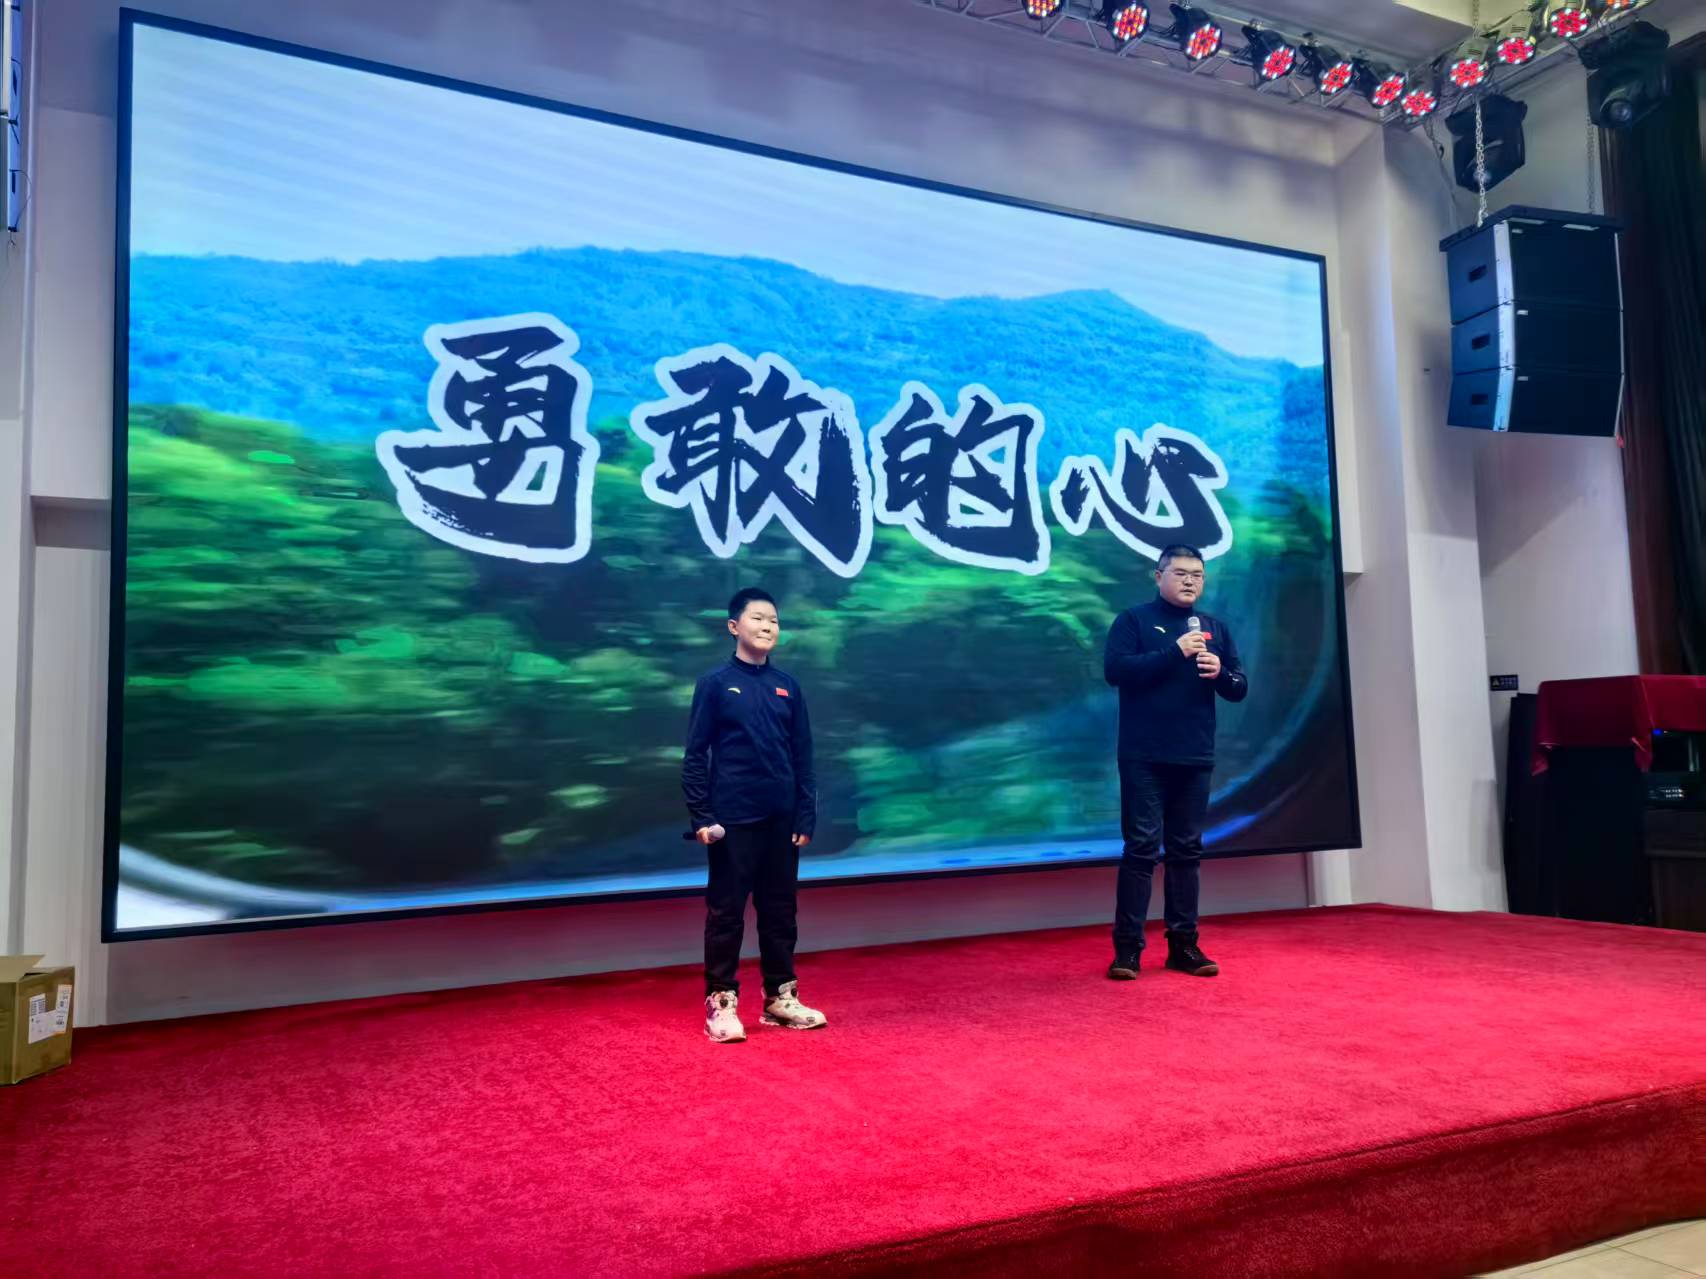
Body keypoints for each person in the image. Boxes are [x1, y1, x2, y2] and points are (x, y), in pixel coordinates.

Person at [683, 587, 827, 1043]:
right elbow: (695, 755)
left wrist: (804, 815)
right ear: (733, 627)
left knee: (780, 911)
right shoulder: (716, 683)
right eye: (758, 618)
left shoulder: (788, 686)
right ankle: (721, 1002)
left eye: (774, 620)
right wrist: (701, 816)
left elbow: (803, 756)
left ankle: (780, 998)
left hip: (781, 820)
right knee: (726, 913)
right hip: (732, 819)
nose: (768, 626)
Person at [1102, 544, 1248, 981]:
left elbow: (1239, 687)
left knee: (1186, 850)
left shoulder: (1215, 628)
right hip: (1144, 755)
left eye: (1197, 575)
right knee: (1141, 849)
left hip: (1195, 754)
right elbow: (1116, 671)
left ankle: (1183, 946)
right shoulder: (1133, 621)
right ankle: (1128, 950)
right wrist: (1175, 652)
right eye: (1181, 573)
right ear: (1159, 575)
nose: (1189, 581)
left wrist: (1220, 673)